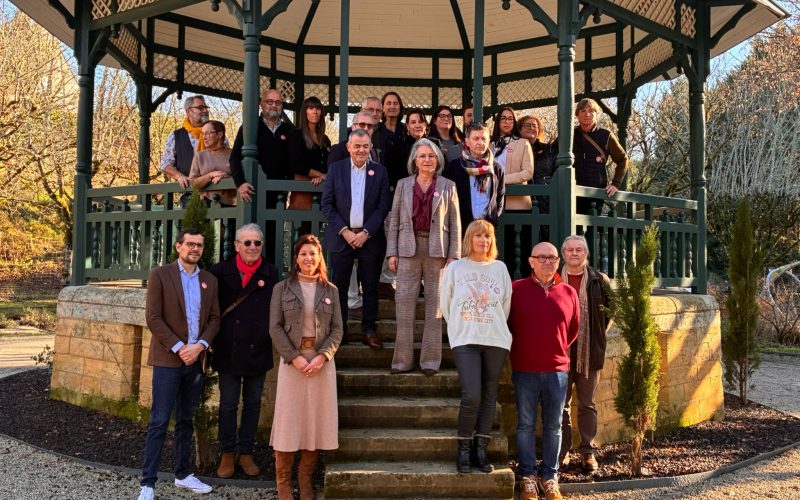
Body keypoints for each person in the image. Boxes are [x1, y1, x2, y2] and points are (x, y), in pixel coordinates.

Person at [138, 228, 220, 500]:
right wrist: (179, 347)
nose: (195, 249)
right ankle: (148, 483)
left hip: (195, 361)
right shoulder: (160, 275)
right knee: (160, 421)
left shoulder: (209, 280)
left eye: (199, 245)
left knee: (186, 420)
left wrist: (200, 346)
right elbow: (153, 318)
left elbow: (214, 319)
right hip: (168, 360)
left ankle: (183, 475)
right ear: (178, 247)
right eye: (190, 244)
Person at [269, 234, 343, 500]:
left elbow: (337, 330)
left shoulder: (331, 290)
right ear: (296, 259)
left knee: (315, 423)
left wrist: (322, 357)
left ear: (320, 257)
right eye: (303, 254)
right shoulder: (282, 288)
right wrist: (294, 357)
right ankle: (284, 486)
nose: (308, 258)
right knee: (289, 423)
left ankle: (305, 482)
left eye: (313, 253)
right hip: (294, 364)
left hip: (321, 366)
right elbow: (275, 328)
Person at [508, 242, 579, 500]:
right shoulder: (516, 290)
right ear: (531, 261)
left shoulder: (569, 293)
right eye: (542, 257)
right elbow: (508, 326)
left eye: (552, 258)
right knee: (525, 425)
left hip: (557, 371)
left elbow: (572, 331)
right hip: (524, 368)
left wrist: (555, 352)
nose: (547, 262)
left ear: (558, 262)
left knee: (554, 426)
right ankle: (527, 477)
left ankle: (550, 477)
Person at [439, 220, 512, 474]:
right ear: (469, 239)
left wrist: (489, 324)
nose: (483, 241)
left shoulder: (500, 268)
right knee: (472, 394)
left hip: (495, 339)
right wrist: (463, 325)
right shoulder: (456, 268)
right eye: (478, 236)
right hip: (465, 339)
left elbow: (505, 304)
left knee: (490, 394)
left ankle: (481, 449)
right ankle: (464, 449)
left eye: (488, 237)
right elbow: (446, 303)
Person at [386, 138, 460, 375]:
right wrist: (392, 252)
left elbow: (455, 223)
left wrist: (454, 255)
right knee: (404, 306)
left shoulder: (448, 186)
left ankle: (430, 361)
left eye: (431, 156)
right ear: (414, 160)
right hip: (408, 248)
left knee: (435, 308)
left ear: (437, 159)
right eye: (422, 156)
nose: (427, 160)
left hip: (437, 250)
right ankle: (402, 361)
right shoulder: (403, 185)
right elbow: (394, 219)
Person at [210, 223, 278, 479]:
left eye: (256, 243)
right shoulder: (220, 271)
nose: (252, 247)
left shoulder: (270, 272)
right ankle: (228, 452)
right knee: (227, 404)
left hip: (257, 348)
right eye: (247, 243)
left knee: (252, 404)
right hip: (228, 348)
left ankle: (246, 452)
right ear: (237, 245)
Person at [321, 129, 391, 349]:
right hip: (342, 236)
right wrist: (346, 231)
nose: (361, 150)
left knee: (370, 286)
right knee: (338, 287)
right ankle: (339, 331)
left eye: (365, 146)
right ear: (348, 147)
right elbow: (327, 204)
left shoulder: (380, 172)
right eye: (357, 146)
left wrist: (365, 233)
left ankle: (369, 329)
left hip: (370, 237)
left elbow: (383, 206)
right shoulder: (336, 169)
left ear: (370, 147)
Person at [558, 235, 611, 473]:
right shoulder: (554, 279)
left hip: (589, 353)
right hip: (559, 352)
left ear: (586, 253)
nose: (574, 253)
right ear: (563, 254)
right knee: (561, 405)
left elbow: (611, 310)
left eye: (579, 250)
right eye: (569, 250)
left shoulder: (599, 280)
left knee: (587, 403)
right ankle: (562, 452)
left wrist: (597, 334)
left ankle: (588, 451)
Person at [230, 89, 293, 207]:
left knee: (275, 225)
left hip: (279, 194)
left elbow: (293, 160)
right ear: (261, 103)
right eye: (270, 101)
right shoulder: (250, 127)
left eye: (278, 102)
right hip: (252, 191)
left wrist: (287, 184)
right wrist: (240, 183)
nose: (274, 105)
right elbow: (234, 158)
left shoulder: (288, 130)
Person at [442, 122, 505, 234]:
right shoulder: (454, 167)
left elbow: (499, 198)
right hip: (461, 228)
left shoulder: (496, 168)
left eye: (483, 139)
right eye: (476, 138)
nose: (480, 142)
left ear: (489, 140)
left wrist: (491, 219)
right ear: (467, 141)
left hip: (487, 229)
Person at [570, 98, 630, 214]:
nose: (587, 114)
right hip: (572, 191)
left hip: (595, 193)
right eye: (583, 111)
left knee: (591, 229)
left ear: (597, 114)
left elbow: (623, 159)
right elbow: (552, 154)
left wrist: (615, 184)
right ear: (577, 114)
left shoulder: (606, 135)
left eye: (591, 111)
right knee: (571, 229)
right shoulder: (570, 135)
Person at [160, 95, 210, 207]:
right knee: (193, 223)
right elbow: (165, 164)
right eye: (201, 107)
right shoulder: (175, 136)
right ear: (188, 111)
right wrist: (179, 176)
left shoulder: (217, 133)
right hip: (189, 193)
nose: (205, 110)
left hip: (216, 190)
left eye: (206, 107)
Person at [288, 96, 331, 209]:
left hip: (322, 190)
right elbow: (296, 165)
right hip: (303, 191)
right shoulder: (296, 135)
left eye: (318, 108)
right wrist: (319, 174)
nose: (315, 112)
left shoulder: (325, 139)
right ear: (304, 111)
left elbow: (328, 164)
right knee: (303, 225)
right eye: (311, 108)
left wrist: (321, 177)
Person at [188, 120, 236, 206]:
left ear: (220, 134)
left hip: (231, 206)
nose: (203, 137)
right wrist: (210, 175)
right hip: (205, 205)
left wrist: (225, 176)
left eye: (207, 133)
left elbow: (243, 179)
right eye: (203, 134)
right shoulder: (199, 156)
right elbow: (192, 184)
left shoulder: (234, 155)